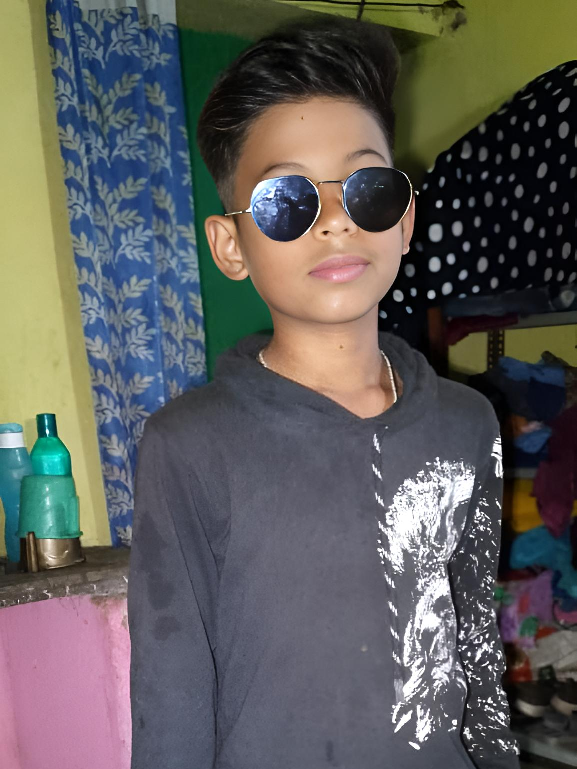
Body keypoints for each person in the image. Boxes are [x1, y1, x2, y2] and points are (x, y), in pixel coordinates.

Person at [128, 16, 520, 769]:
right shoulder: (190, 444)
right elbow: (170, 691)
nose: (337, 221)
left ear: (404, 219)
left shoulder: (467, 423)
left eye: (366, 188)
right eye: (287, 199)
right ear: (232, 245)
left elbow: (473, 641)